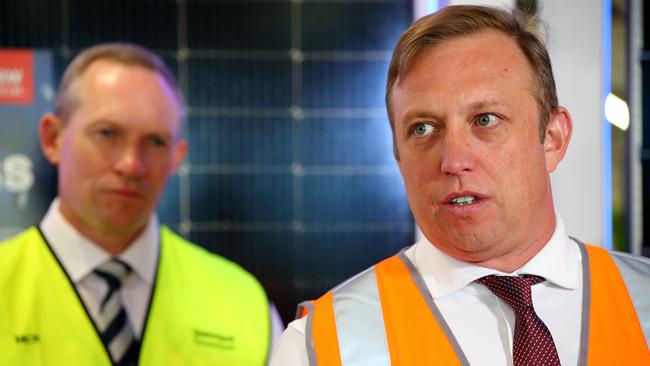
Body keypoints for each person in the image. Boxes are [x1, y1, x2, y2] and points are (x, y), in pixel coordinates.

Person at [270, 5, 649, 366]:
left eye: (485, 119)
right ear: (399, 158)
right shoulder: (322, 346)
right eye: (422, 129)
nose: (452, 161)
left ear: (552, 137)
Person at [0, 42, 282, 365]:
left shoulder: (243, 304)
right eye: (107, 134)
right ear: (53, 138)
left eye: (155, 142)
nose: (132, 165)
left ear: (177, 156)